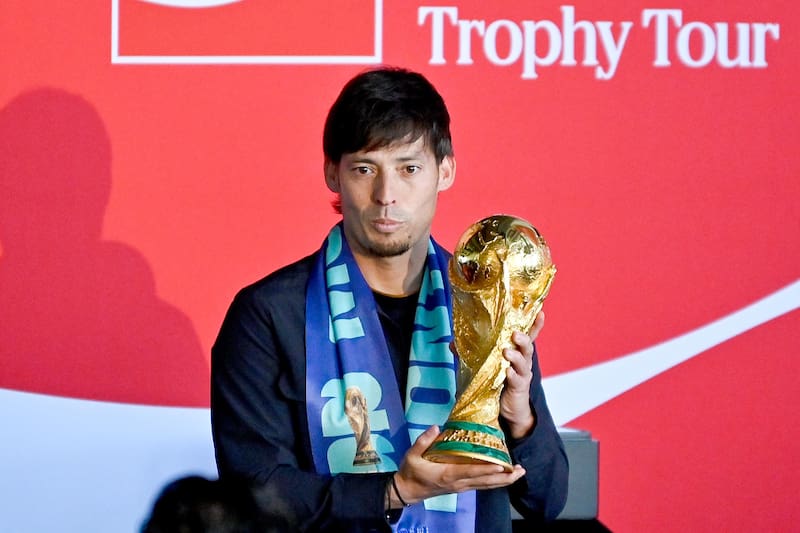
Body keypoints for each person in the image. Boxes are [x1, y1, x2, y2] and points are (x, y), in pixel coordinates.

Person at [211, 66, 568, 532]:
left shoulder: (486, 303)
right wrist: (395, 491)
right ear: (332, 174)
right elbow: (251, 493)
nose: (386, 195)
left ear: (446, 171)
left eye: (409, 168)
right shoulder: (268, 315)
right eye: (365, 169)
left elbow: (548, 500)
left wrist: (519, 417)